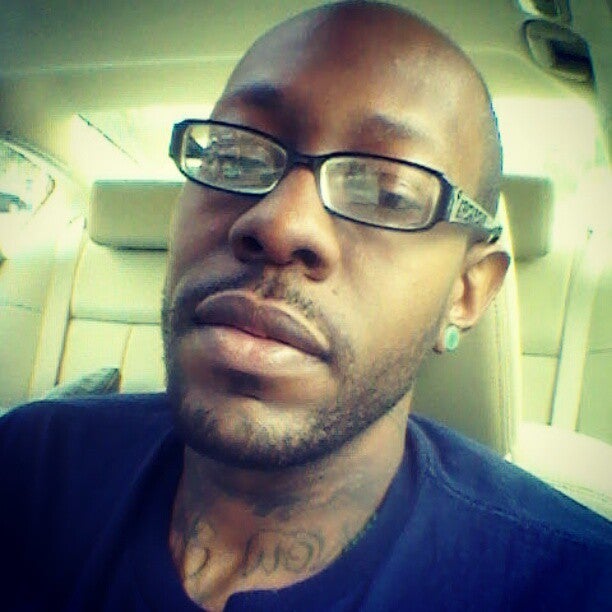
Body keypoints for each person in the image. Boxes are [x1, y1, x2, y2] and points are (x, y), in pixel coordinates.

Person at [1, 1, 610, 610]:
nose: (280, 224)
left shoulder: (573, 585)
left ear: (466, 292)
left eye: (387, 192)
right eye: (234, 155)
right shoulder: (29, 468)